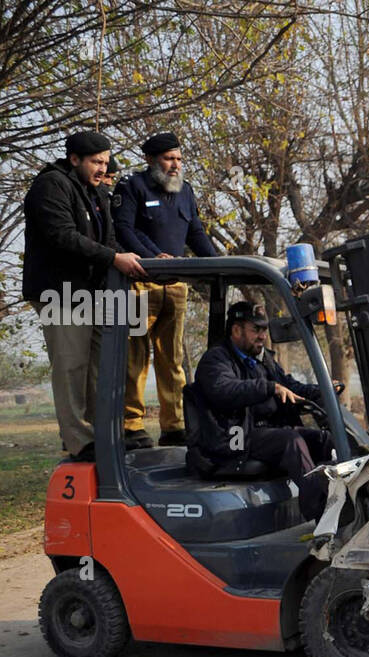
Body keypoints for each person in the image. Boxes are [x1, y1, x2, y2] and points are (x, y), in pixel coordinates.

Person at [22, 130, 146, 462]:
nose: (102, 169)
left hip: (93, 293)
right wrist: (114, 259)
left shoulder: (98, 192)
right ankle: (79, 440)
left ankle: (104, 436)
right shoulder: (51, 185)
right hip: (59, 292)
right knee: (72, 366)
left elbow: (110, 242)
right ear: (74, 159)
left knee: (102, 367)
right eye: (95, 162)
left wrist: (146, 258)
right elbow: (62, 236)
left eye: (105, 162)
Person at [114, 131, 219, 449]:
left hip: (175, 286)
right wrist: (151, 256)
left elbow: (196, 232)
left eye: (179, 159)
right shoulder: (132, 186)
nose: (175, 165)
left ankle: (173, 426)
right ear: (151, 160)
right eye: (169, 159)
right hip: (138, 285)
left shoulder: (185, 191)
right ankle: (132, 426)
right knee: (134, 358)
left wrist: (218, 264)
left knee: (172, 359)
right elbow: (123, 229)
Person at [194, 301, 335, 518]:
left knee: (324, 440)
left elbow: (289, 386)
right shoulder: (215, 360)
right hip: (234, 437)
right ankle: (321, 515)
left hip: (264, 433)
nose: (262, 336)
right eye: (256, 330)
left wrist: (321, 390)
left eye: (264, 330)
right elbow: (225, 390)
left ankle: (346, 501)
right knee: (291, 442)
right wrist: (269, 388)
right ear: (236, 330)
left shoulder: (263, 359)